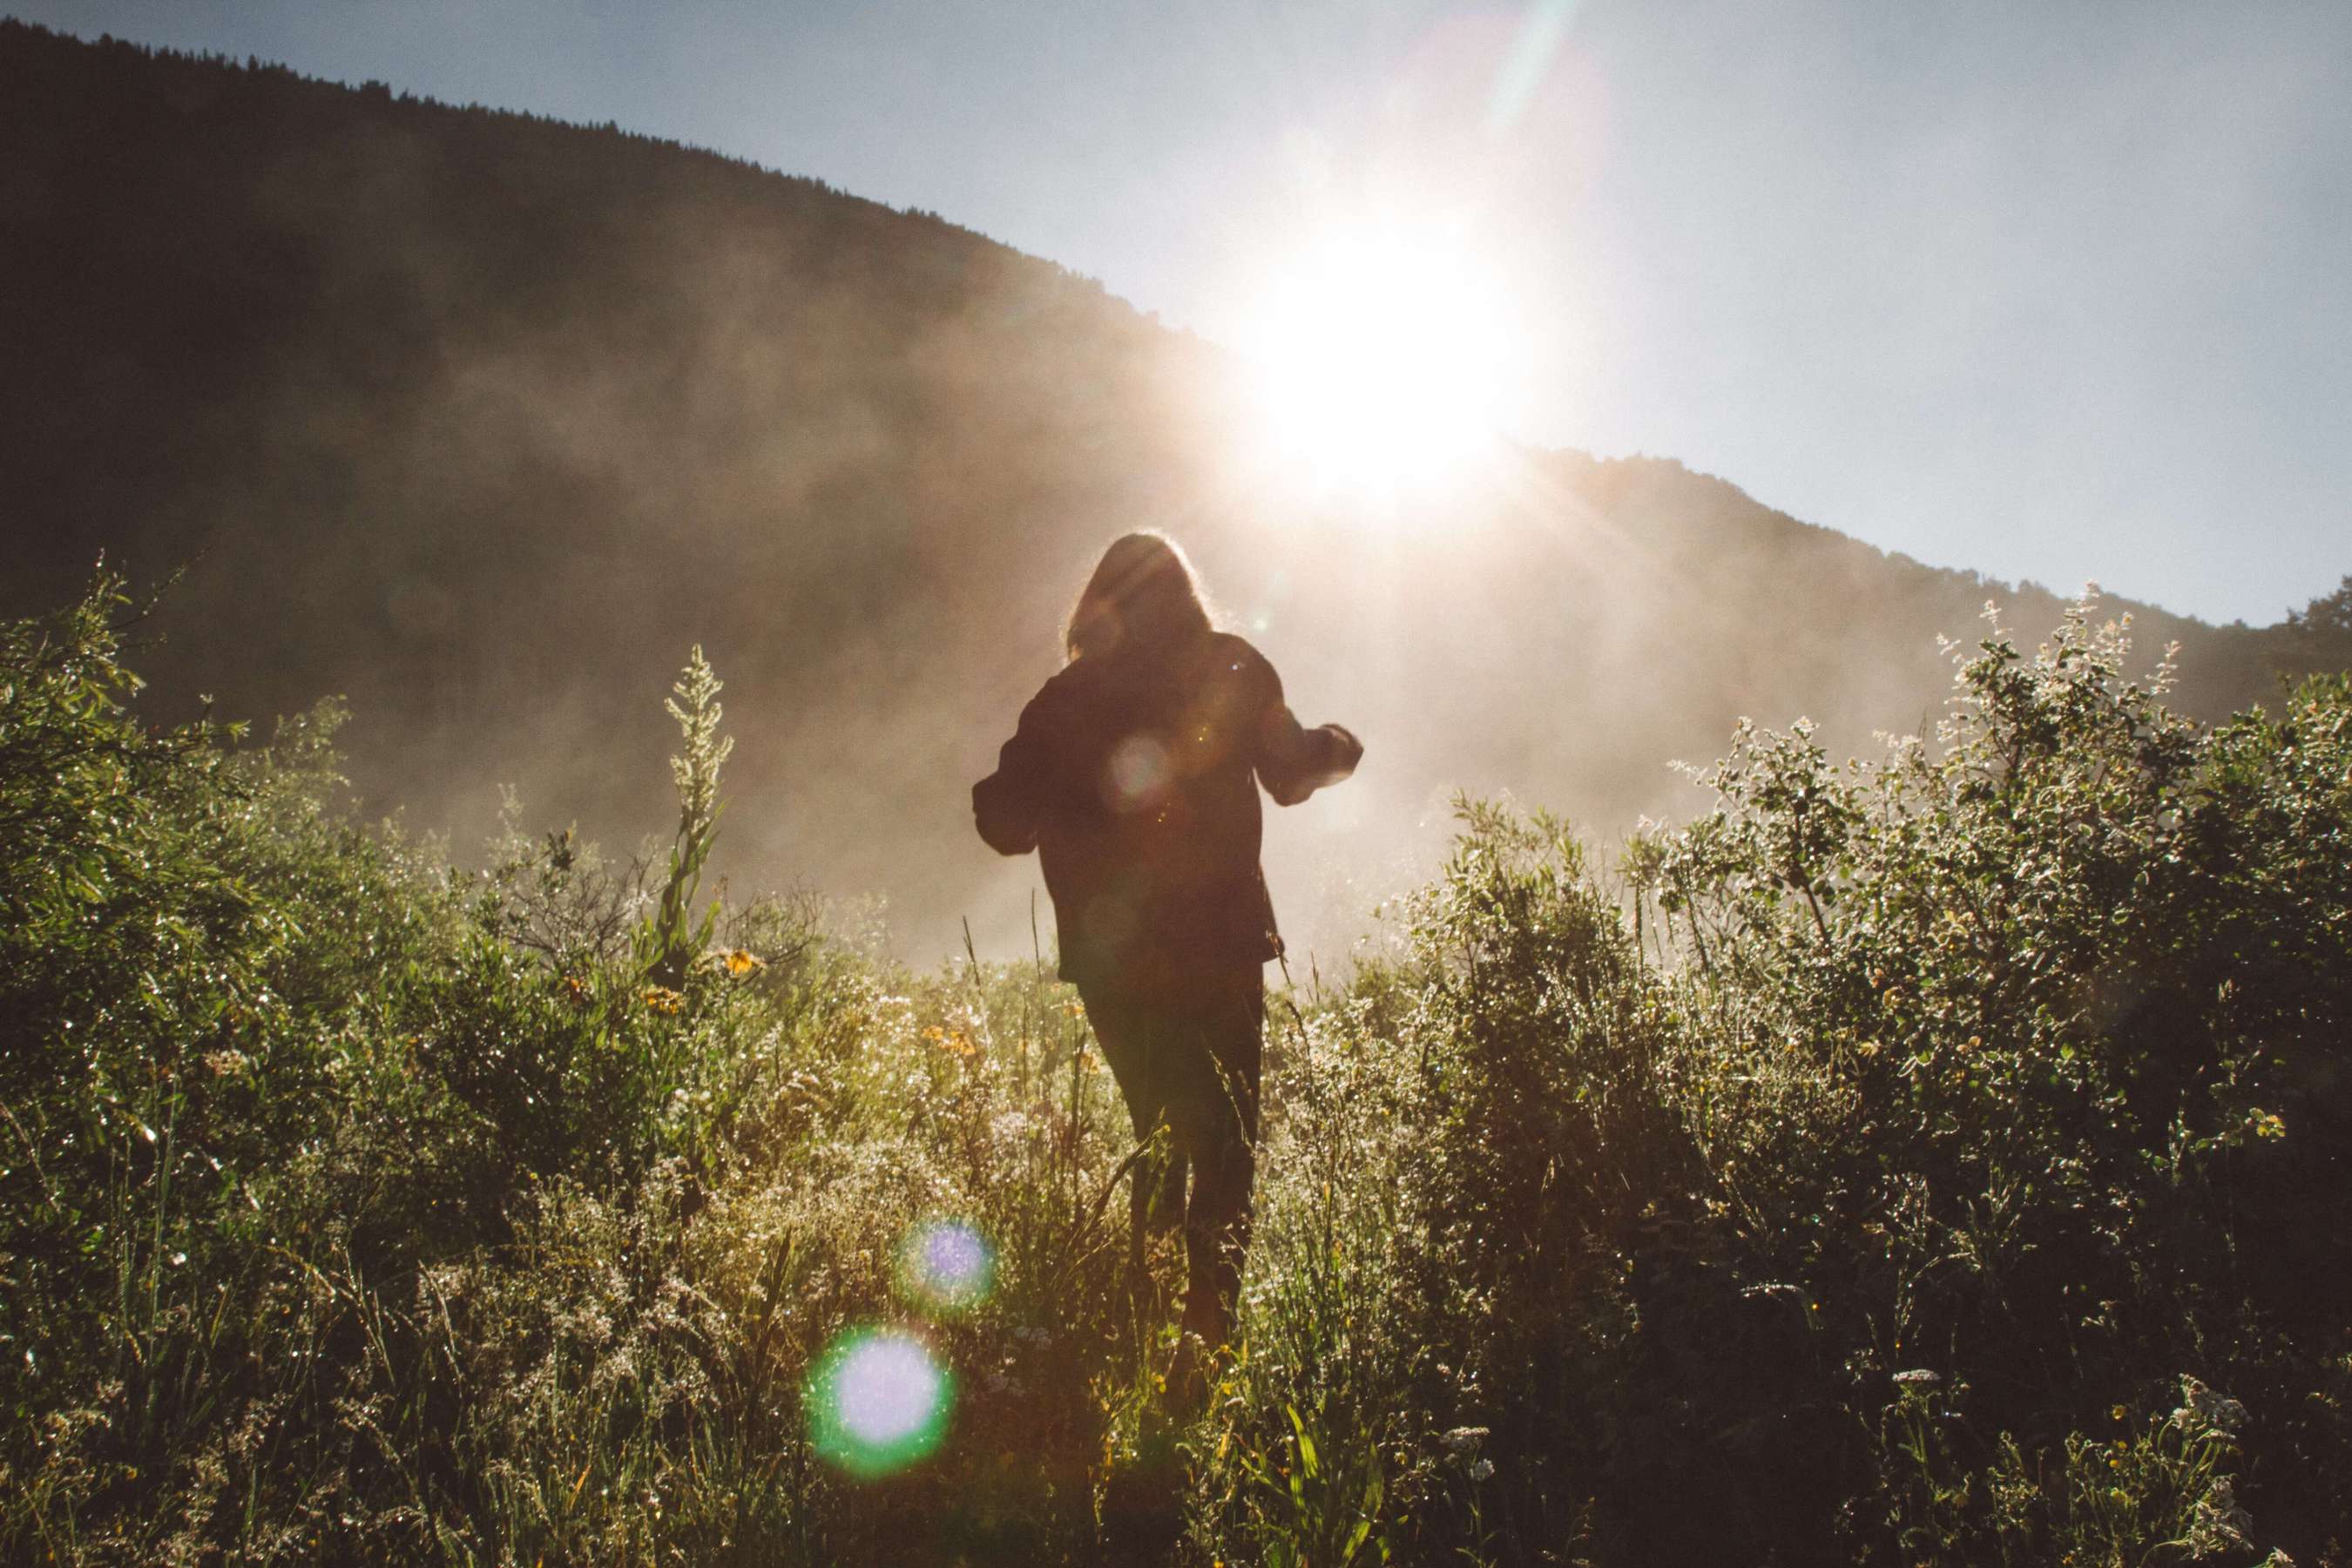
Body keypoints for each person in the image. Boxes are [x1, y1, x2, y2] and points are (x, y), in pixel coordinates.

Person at [972, 531, 1361, 1400]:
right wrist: (1342, 745)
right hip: (1220, 942)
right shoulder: (1229, 666)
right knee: (1226, 1145)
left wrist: (1047, 791)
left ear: (1096, 605)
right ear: (1185, 595)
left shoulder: (1065, 698)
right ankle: (1204, 1354)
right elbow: (1294, 775)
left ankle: (1143, 1332)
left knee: (1157, 1126)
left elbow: (1004, 824)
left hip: (1116, 959)